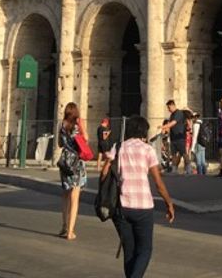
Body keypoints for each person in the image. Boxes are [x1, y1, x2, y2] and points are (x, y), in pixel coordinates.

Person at [102, 114, 174, 278]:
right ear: (143, 131)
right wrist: (169, 203)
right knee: (145, 249)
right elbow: (158, 183)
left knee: (130, 250)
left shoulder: (118, 147)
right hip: (143, 206)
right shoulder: (147, 149)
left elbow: (104, 173)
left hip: (122, 206)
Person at [57, 102, 88, 240]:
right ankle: (70, 231)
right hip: (76, 162)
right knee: (75, 198)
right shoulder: (76, 126)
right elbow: (85, 139)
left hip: (64, 161)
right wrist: (82, 126)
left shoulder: (62, 125)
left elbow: (59, 143)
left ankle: (64, 226)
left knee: (65, 195)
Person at [160, 100, 187, 173]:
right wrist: (165, 130)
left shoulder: (179, 113)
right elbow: (170, 125)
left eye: (169, 107)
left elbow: (173, 123)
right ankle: (174, 169)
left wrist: (163, 126)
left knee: (184, 153)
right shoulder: (172, 115)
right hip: (173, 137)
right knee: (174, 154)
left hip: (180, 137)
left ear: (173, 105)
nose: (168, 109)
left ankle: (188, 168)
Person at [190, 110, 207, 175]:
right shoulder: (201, 123)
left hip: (198, 143)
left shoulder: (196, 125)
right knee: (203, 159)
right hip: (203, 143)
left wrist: (192, 148)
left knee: (198, 161)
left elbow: (195, 137)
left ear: (195, 117)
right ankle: (204, 173)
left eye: (193, 117)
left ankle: (200, 174)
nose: (192, 119)